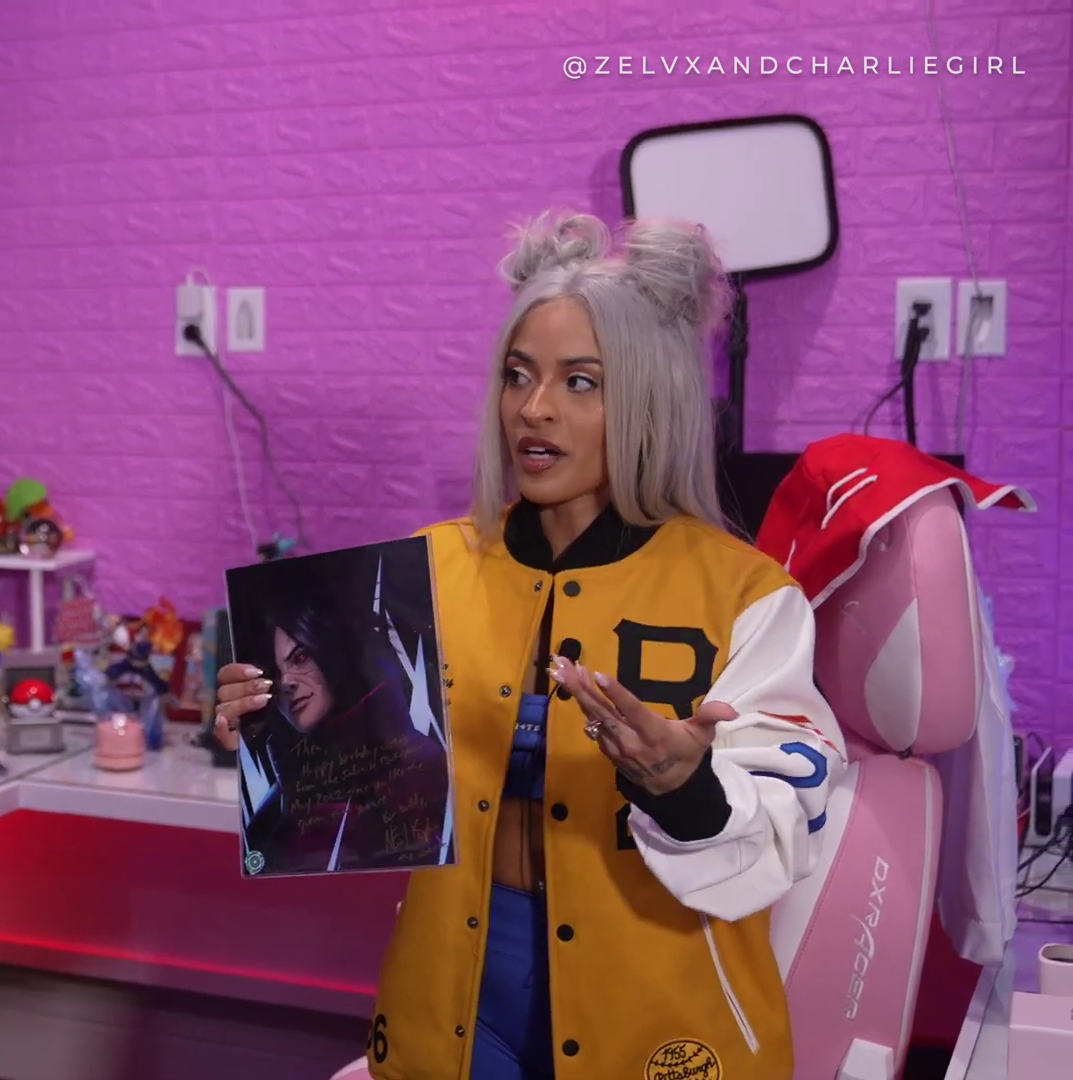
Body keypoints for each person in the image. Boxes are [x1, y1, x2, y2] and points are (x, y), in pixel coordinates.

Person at [214, 212, 844, 1080]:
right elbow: (350, 781)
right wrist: (265, 731)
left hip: (661, 1000)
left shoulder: (747, 596)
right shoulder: (425, 573)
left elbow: (790, 821)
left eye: (580, 382)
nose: (533, 408)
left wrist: (683, 783)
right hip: (458, 990)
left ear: (650, 397)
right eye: (518, 375)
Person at [237, 584, 448, 875]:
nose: (286, 682)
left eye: (300, 657)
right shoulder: (280, 799)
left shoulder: (418, 766)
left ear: (331, 650)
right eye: (275, 672)